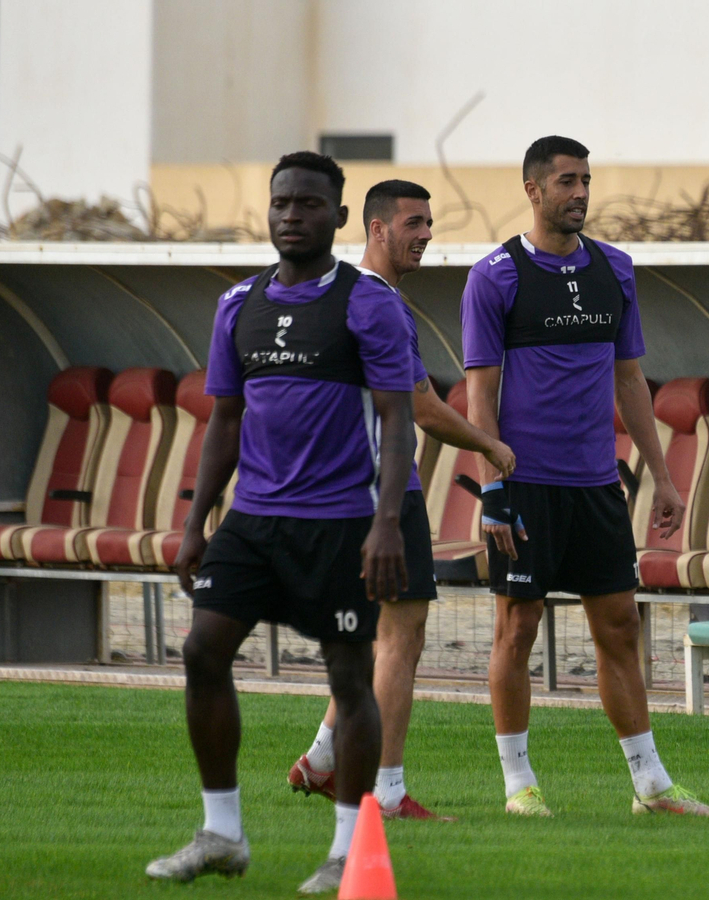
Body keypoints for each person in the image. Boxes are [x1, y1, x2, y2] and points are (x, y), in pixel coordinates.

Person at [147, 152, 418, 893]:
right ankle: (222, 834)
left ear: (339, 217)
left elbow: (397, 421)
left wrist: (387, 522)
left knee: (348, 678)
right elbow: (224, 421)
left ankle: (347, 851)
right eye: (281, 203)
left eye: (308, 204)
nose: (291, 215)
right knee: (202, 650)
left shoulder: (368, 304)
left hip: (339, 524)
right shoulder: (238, 304)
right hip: (254, 522)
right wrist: (196, 524)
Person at [461, 135, 709, 819]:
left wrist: (663, 478)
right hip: (524, 486)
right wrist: (493, 487)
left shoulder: (615, 268)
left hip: (596, 487)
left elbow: (630, 379)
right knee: (517, 629)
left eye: (586, 180)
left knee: (618, 627)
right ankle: (519, 786)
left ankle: (652, 786)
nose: (580, 192)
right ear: (533, 190)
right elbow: (479, 395)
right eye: (566, 181)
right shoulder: (495, 276)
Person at [286, 180, 516, 823]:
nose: (426, 234)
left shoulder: (336, 294)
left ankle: (322, 759)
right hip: (385, 493)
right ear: (377, 229)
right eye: (414, 223)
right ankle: (384, 790)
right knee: (401, 638)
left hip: (341, 495)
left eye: (430, 222)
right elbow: (421, 405)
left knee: (372, 636)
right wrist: (489, 445)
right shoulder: (380, 304)